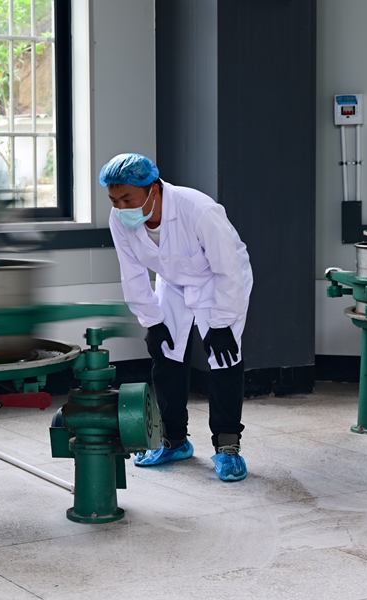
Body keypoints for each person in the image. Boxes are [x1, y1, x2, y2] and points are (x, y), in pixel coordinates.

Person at [100, 153, 253, 482]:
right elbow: (132, 273)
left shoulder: (198, 210)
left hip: (217, 281)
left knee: (224, 358)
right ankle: (173, 440)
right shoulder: (120, 219)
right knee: (166, 353)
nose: (121, 208)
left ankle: (227, 446)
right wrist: (151, 320)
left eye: (128, 199)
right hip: (173, 282)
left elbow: (228, 270)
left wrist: (222, 323)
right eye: (114, 200)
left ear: (153, 189)